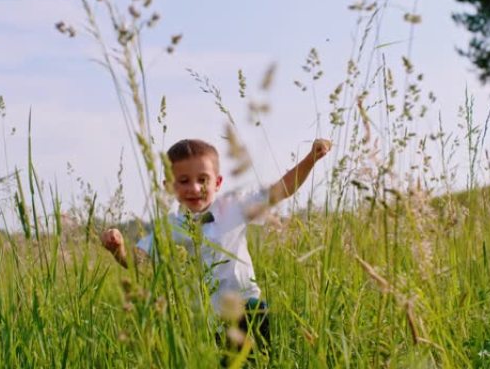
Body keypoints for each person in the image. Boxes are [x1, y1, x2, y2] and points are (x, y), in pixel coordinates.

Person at [101, 138, 332, 356]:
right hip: (205, 322)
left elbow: (280, 190)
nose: (194, 188)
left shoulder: (234, 207)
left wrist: (310, 158)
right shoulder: (170, 227)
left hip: (248, 310)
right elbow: (138, 260)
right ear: (169, 186)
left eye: (203, 179)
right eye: (183, 181)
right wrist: (118, 248)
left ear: (218, 182)